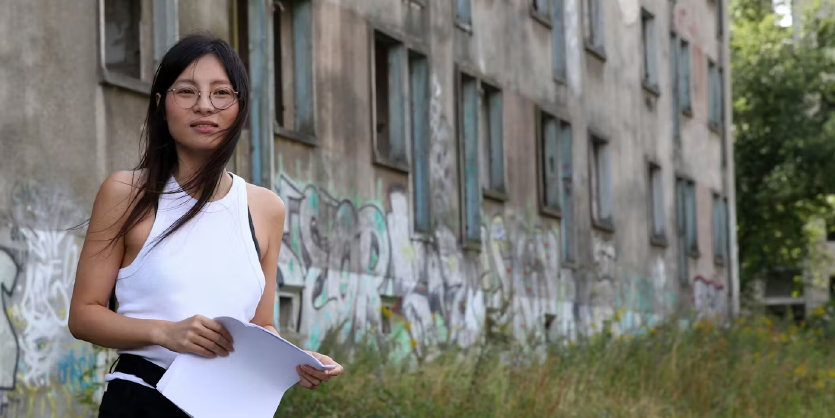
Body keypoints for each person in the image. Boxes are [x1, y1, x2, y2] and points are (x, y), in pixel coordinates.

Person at [68, 33, 343, 417]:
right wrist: (165, 332)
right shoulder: (126, 192)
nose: (204, 107)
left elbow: (261, 325)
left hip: (231, 406)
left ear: (239, 108)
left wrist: (294, 360)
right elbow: (83, 315)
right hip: (143, 400)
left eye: (221, 93)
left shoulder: (265, 208)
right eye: (187, 91)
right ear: (162, 105)